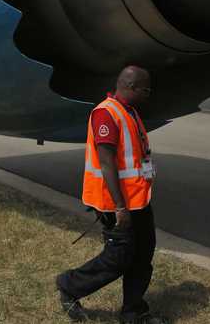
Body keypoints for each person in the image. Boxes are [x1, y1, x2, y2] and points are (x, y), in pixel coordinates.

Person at [56, 66, 165, 324]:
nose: (148, 95)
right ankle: (69, 285)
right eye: (145, 90)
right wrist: (120, 207)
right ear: (130, 86)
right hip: (115, 204)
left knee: (142, 256)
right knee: (118, 259)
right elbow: (107, 163)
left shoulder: (129, 111)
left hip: (139, 200)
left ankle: (134, 313)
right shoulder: (106, 113)